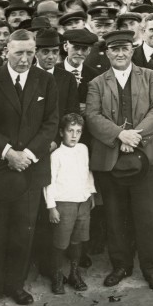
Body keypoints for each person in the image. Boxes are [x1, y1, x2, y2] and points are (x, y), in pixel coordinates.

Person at [0, 29, 59, 306]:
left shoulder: (45, 81)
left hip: (30, 170)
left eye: (29, 53)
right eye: (18, 52)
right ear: (5, 51)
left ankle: (15, 285)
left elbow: (51, 123)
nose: (24, 59)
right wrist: (9, 153)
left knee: (24, 232)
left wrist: (29, 155)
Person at [84, 29, 153, 291]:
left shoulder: (150, 76)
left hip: (147, 156)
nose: (120, 54)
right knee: (115, 216)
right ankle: (120, 265)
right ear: (107, 53)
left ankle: (152, 269)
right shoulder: (97, 83)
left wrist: (135, 138)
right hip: (110, 158)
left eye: (125, 49)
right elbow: (93, 116)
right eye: (114, 49)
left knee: (148, 217)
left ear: (133, 51)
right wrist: (120, 135)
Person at [45, 113, 96, 294]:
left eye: (78, 131)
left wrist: (91, 193)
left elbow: (87, 171)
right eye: (70, 131)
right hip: (64, 203)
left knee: (77, 240)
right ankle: (57, 275)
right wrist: (51, 207)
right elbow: (49, 181)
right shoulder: (56, 155)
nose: (74, 135)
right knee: (61, 242)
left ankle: (75, 273)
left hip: (82, 201)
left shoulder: (83, 149)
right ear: (61, 132)